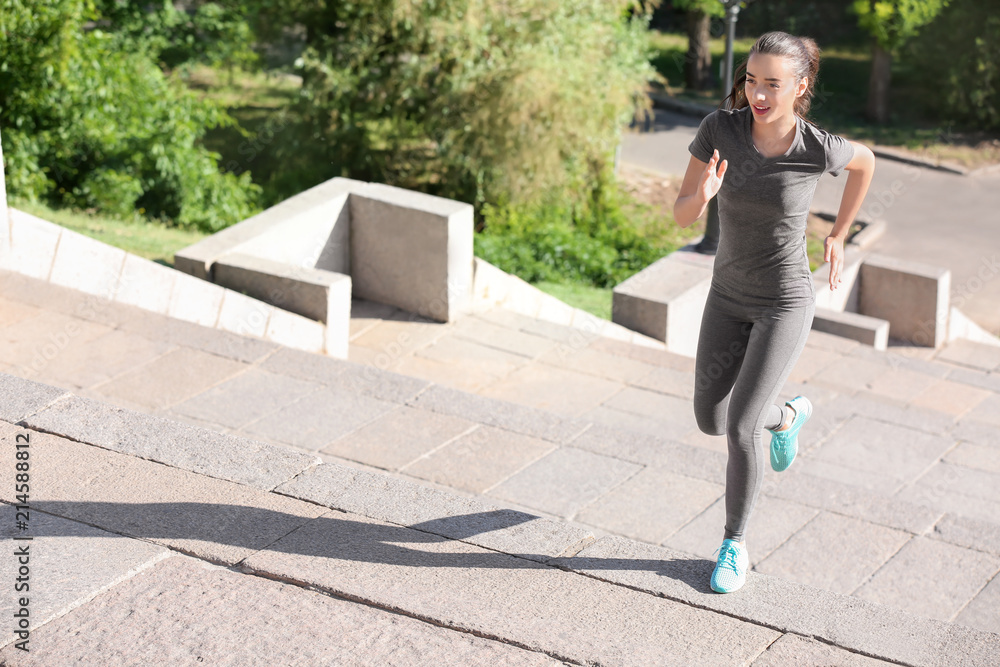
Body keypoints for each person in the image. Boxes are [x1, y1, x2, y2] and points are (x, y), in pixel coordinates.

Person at [672, 31, 875, 594]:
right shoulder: (720, 129)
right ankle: (787, 416)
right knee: (709, 419)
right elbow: (680, 215)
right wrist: (704, 196)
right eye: (751, 81)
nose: (757, 94)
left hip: (785, 299)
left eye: (772, 85)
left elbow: (867, 163)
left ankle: (733, 544)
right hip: (727, 295)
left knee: (739, 427)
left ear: (801, 87)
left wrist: (838, 235)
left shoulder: (817, 146)